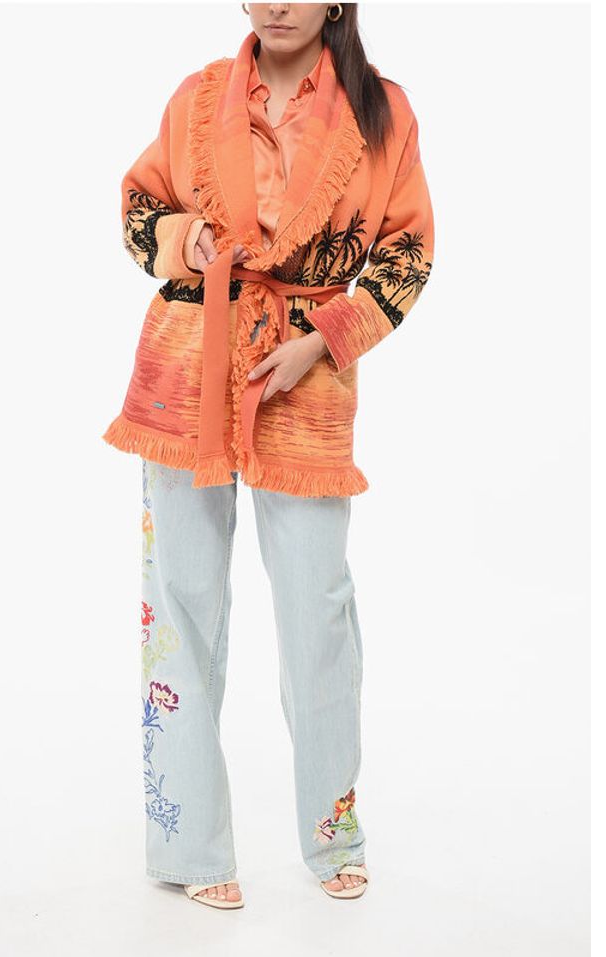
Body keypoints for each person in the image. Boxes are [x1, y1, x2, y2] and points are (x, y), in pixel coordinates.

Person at [104, 2, 435, 909]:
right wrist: (188, 239)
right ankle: (190, 846)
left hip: (306, 381)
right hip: (186, 367)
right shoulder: (198, 97)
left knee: (317, 609)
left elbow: (408, 251)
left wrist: (325, 340)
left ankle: (334, 836)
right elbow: (139, 208)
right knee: (181, 601)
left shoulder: (383, 113)